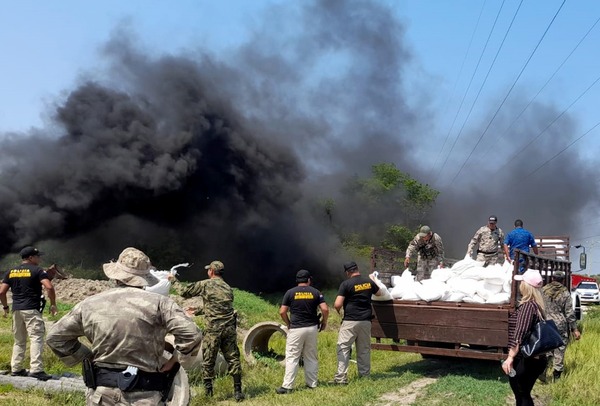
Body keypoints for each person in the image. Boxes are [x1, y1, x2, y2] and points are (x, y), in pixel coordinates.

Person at [46, 247, 202, 405]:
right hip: (145, 397)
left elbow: (55, 337)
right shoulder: (161, 304)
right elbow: (192, 335)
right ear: (145, 277)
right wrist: (175, 361)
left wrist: (88, 357)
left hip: (101, 396)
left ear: (116, 276)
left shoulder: (89, 304)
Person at [181, 260, 244, 401]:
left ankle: (209, 394)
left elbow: (184, 292)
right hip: (229, 329)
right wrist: (197, 311)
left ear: (211, 271)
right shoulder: (227, 288)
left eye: (208, 270)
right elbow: (218, 307)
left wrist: (172, 281)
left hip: (213, 331)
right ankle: (238, 391)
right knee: (233, 358)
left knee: (208, 360)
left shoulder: (205, 284)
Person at [0, 246, 57, 381]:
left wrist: (5, 307)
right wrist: (53, 304)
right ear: (31, 258)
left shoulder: (11, 271)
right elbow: (49, 287)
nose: (40, 258)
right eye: (38, 256)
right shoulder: (38, 270)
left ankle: (16, 368)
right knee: (36, 337)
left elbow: (2, 292)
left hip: (17, 309)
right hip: (31, 309)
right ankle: (36, 369)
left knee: (19, 340)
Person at [276, 269, 329, 394]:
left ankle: (288, 386)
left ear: (297, 280)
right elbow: (325, 309)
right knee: (310, 356)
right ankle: (312, 384)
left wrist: (288, 323)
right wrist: (324, 322)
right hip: (312, 328)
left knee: (292, 357)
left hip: (296, 329)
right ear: (309, 280)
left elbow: (282, 311)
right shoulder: (316, 292)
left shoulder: (290, 292)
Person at [501, 269, 548, 406]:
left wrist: (510, 358)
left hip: (525, 359)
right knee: (523, 394)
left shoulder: (528, 307)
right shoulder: (537, 305)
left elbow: (519, 334)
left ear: (526, 286)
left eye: (522, 281)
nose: (520, 284)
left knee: (521, 394)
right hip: (535, 359)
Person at [331, 261, 382, 385]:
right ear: (357, 269)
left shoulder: (346, 284)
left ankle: (341, 378)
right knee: (364, 349)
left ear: (347, 272)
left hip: (350, 321)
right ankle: (364, 376)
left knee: (343, 348)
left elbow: (337, 304)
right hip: (365, 321)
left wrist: (339, 311)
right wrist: (373, 280)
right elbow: (379, 293)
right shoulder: (368, 282)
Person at [541, 270, 581, 382]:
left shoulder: (543, 290)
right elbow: (569, 313)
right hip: (560, 324)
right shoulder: (565, 293)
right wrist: (574, 329)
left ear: (552, 278)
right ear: (562, 280)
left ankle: (542, 373)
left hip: (546, 322)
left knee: (547, 348)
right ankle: (556, 377)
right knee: (560, 349)